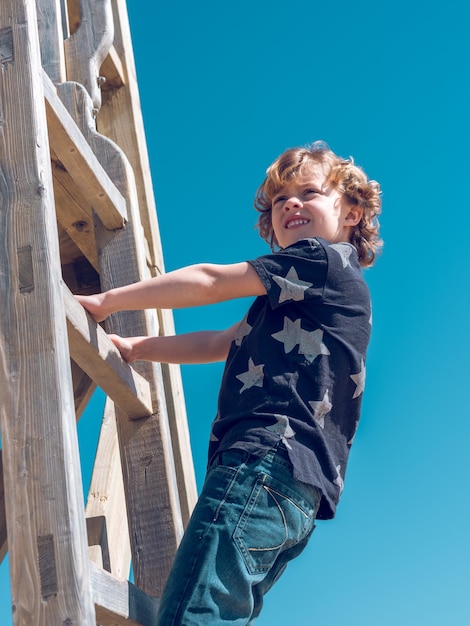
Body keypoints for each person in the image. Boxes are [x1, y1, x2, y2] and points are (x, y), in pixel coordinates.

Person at [76, 141, 382, 625]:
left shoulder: (320, 260)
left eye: (308, 192)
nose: (290, 204)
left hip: (262, 462)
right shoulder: (303, 298)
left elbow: (212, 281)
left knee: (191, 616)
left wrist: (110, 300)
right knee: (215, 614)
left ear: (352, 211)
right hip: (297, 494)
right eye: (280, 200)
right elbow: (222, 340)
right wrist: (139, 349)